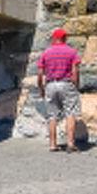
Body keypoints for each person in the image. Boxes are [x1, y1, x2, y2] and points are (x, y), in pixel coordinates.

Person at [36, 25, 82, 153]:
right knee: (70, 113)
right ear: (64, 38)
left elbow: (40, 73)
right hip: (66, 83)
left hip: (50, 84)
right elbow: (75, 72)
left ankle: (52, 144)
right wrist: (76, 86)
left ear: (54, 38)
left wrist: (41, 88)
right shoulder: (72, 52)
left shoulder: (46, 52)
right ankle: (70, 143)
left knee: (52, 116)